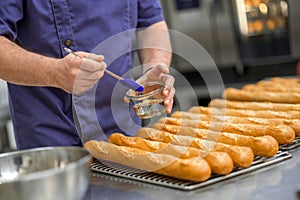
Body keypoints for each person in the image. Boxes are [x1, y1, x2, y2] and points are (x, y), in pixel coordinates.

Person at [0, 1, 175, 150]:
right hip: (52, 138)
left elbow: (152, 21)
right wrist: (54, 72)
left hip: (123, 130)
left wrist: (154, 65)